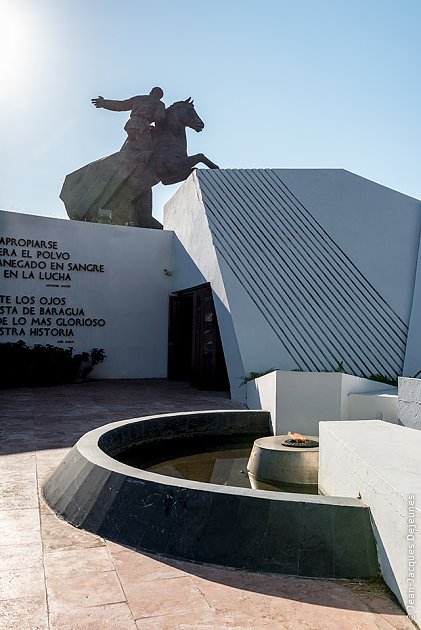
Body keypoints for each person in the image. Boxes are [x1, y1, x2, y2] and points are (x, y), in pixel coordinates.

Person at [92, 87, 165, 165]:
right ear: (160, 97)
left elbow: (121, 105)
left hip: (131, 124)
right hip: (142, 126)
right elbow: (159, 118)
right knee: (148, 152)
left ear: (150, 92)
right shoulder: (159, 104)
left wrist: (104, 103)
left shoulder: (139, 98)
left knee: (127, 150)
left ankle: (120, 166)